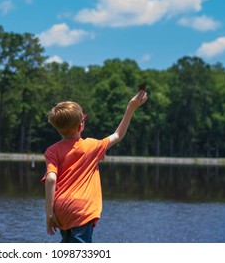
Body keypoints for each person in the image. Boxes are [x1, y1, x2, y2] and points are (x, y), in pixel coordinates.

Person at [42, 89, 148, 243]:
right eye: (84, 119)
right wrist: (131, 107)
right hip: (81, 209)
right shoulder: (92, 146)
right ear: (80, 126)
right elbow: (118, 134)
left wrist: (49, 213)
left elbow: (51, 179)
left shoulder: (52, 151)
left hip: (60, 208)